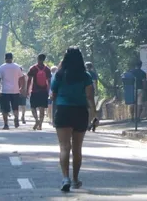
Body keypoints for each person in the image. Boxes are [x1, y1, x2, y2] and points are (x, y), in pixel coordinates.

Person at [52, 47, 98, 192]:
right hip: (80, 112)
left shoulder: (59, 75)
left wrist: (53, 113)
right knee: (77, 148)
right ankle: (76, 179)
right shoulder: (85, 76)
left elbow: (53, 95)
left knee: (64, 147)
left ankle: (65, 178)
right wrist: (94, 115)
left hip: (63, 111)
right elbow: (90, 98)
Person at [0, 53, 25, 130]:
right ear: (12, 58)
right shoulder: (17, 67)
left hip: (5, 91)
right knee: (15, 107)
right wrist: (21, 87)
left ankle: (6, 125)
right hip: (15, 91)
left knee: (5, 109)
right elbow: (22, 78)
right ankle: (16, 117)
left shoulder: (2, 67)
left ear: (5, 58)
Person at [27, 54, 51, 130]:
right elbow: (49, 81)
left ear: (37, 58)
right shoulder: (47, 69)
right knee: (42, 108)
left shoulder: (33, 68)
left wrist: (27, 89)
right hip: (44, 91)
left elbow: (29, 80)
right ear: (44, 59)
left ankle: (36, 120)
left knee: (33, 107)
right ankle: (40, 125)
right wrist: (48, 90)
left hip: (35, 91)